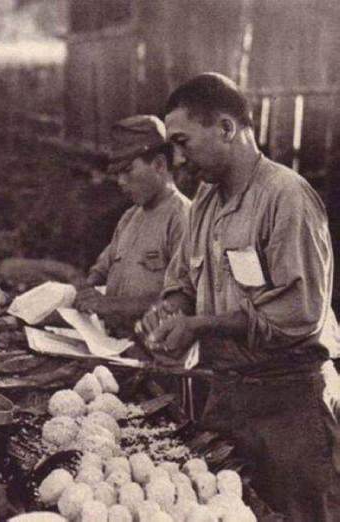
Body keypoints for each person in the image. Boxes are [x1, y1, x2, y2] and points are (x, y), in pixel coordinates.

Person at [144, 72, 340, 520]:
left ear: (227, 129)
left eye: (182, 141)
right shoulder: (205, 204)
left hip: (290, 408)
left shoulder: (286, 197)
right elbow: (182, 285)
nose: (177, 159)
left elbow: (302, 311)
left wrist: (203, 325)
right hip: (227, 398)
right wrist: (171, 314)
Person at [74, 115, 190, 337]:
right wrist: (86, 288)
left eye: (128, 171)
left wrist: (111, 305)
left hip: (153, 346)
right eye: (118, 173)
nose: (121, 182)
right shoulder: (129, 217)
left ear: (159, 165)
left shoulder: (183, 218)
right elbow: (101, 270)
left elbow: (184, 300)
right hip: (111, 340)